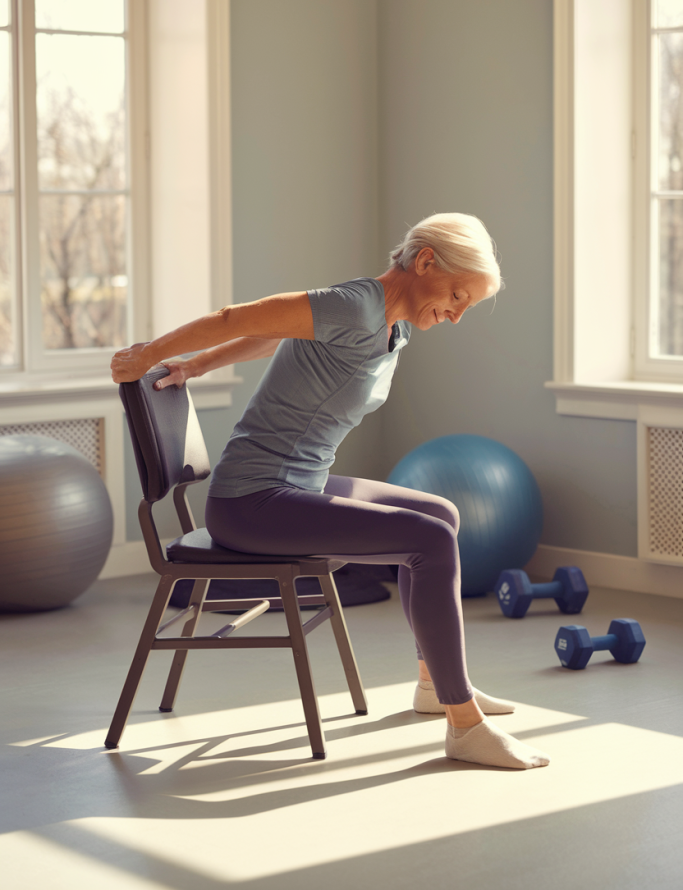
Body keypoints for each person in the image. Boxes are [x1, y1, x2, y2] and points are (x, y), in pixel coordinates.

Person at [111, 213, 549, 770]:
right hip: (252, 501)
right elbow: (235, 318)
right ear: (425, 262)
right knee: (430, 541)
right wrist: (147, 355)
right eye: (458, 295)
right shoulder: (353, 305)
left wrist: (196, 365)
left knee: (440, 513)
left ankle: (434, 686)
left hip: (300, 484)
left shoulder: (397, 324)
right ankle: (464, 724)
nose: (459, 315)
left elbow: (271, 337)